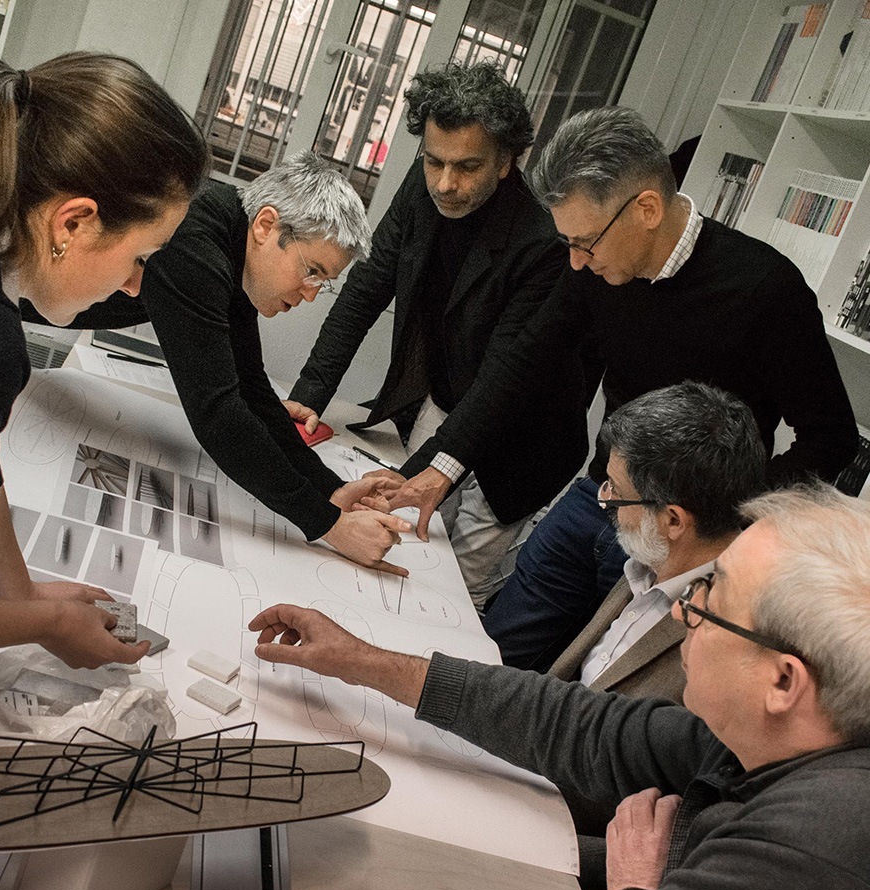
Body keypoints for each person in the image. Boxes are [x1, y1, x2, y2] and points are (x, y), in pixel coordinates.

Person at [248, 482, 870, 890]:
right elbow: (583, 727)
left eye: (710, 601)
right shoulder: (794, 739)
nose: (682, 612)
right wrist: (362, 660)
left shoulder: (819, 856)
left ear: (784, 681)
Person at [483, 105, 859, 670]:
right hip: (598, 498)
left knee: (602, 690)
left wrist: (723, 514)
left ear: (647, 210)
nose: (575, 263)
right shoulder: (599, 263)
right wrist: (439, 467)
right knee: (496, 652)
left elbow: (831, 438)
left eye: (585, 242)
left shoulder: (767, 290)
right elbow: (527, 356)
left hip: (681, 540)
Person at [0, 54, 208, 669]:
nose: (136, 285)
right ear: (73, 222)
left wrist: (19, 593)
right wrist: (44, 621)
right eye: (142, 254)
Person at [285, 61, 587, 608]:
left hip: (520, 439)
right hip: (445, 399)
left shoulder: (542, 242)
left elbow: (503, 381)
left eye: (467, 167)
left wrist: (421, 472)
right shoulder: (423, 186)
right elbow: (368, 288)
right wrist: (310, 394)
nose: (445, 183)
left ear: (505, 163)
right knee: (401, 542)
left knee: (448, 591)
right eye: (434, 161)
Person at [31, 152, 413, 577]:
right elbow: (218, 413)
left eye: (322, 283)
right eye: (311, 271)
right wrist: (329, 525)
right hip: (13, 293)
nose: (309, 294)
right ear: (266, 226)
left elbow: (251, 389)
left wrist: (331, 489)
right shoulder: (196, 247)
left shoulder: (231, 240)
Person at [549, 380, 765, 705]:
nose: (604, 500)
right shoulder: (654, 556)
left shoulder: (729, 638)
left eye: (617, 492)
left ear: (673, 520)